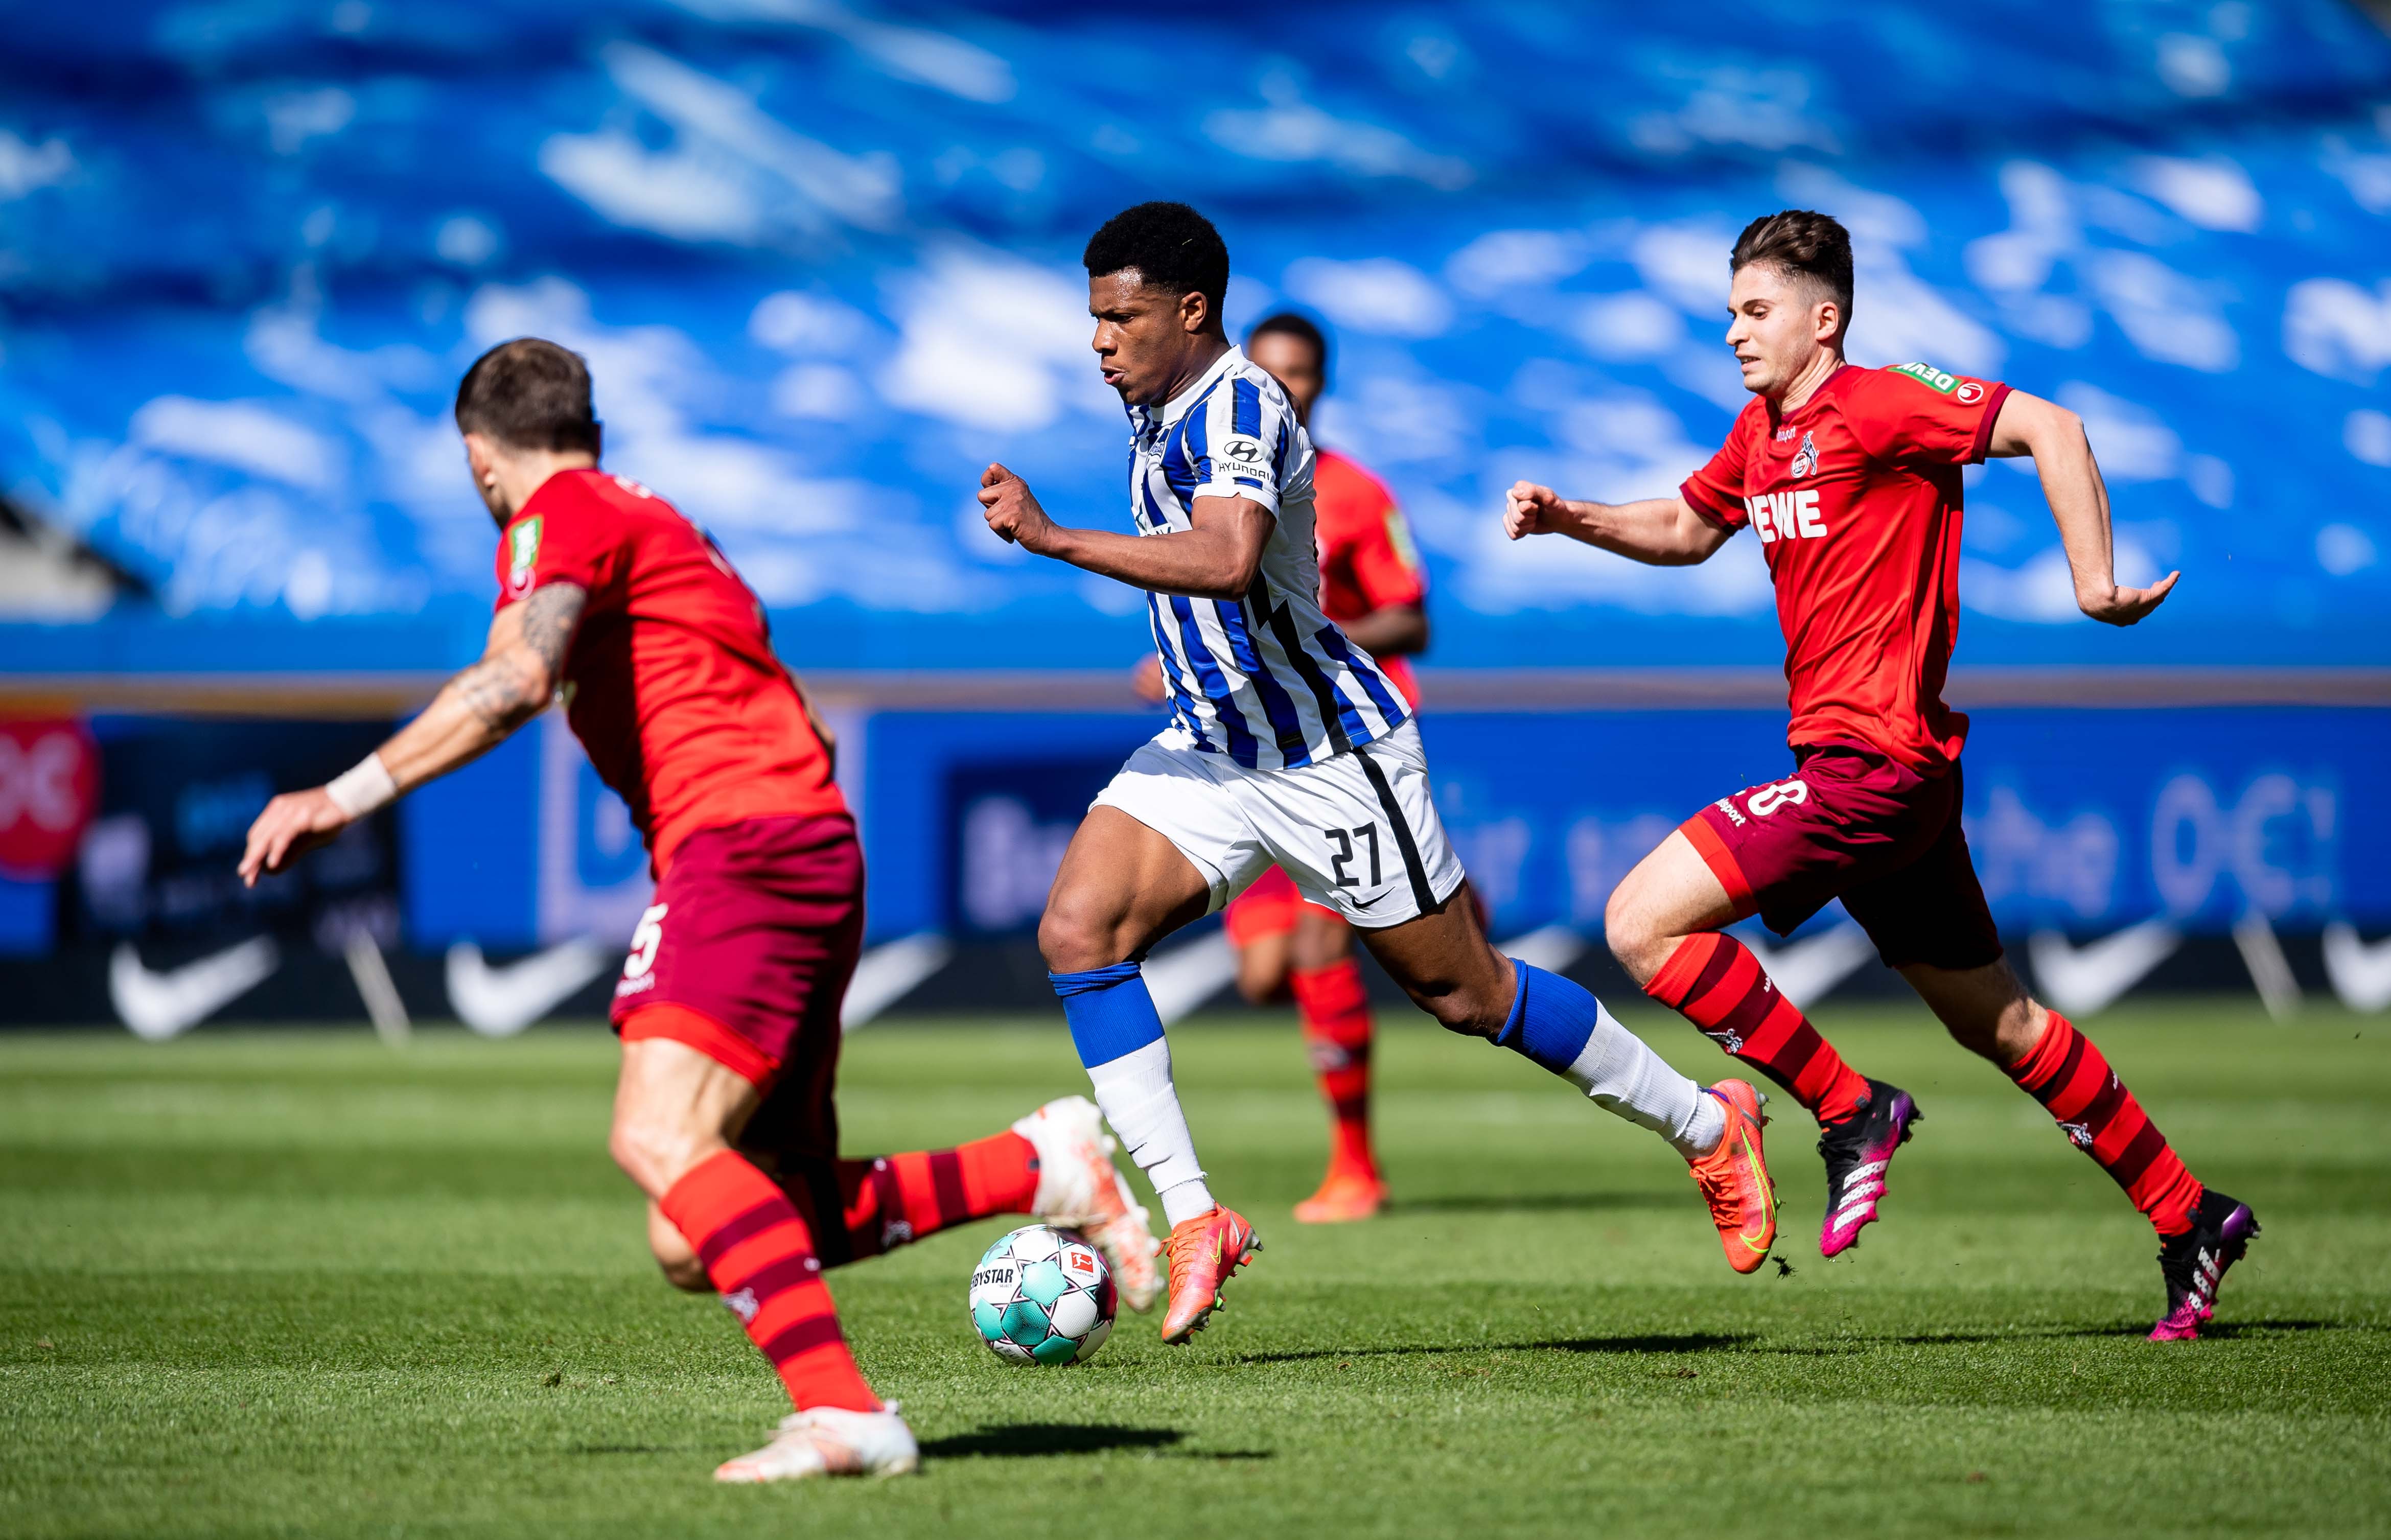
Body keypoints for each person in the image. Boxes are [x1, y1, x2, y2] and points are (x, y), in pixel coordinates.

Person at [238, 338, 1163, 1483]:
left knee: (656, 1136)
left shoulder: (560, 511)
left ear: (480, 457)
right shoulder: (647, 514)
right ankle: (1036, 1167)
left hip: (746, 846)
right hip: (801, 843)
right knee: (714, 1225)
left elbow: (516, 678)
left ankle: (845, 1414)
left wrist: (346, 792)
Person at [977, 201, 1781, 1347]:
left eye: (1122, 317)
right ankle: (1196, 1217)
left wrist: (1058, 541)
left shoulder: (1242, 400)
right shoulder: (1154, 406)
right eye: (1094, 318)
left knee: (1467, 994)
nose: (1100, 340)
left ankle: (1709, 1125)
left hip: (1327, 751)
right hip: (1217, 741)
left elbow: (1227, 555)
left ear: (1192, 311)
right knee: (1079, 931)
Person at [1503, 209, 2256, 1341]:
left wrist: (2094, 585)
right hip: (1884, 779)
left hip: (1876, 766)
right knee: (1999, 1024)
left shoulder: (1882, 400)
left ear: (1825, 318)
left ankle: (1853, 1109)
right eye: (1729, 314)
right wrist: (1576, 520)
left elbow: (2052, 425)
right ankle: (2189, 1212)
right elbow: (1686, 524)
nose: (1733, 335)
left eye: (1754, 313)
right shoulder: (1764, 432)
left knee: (1642, 924)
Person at [1129, 310, 1432, 1224]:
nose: (1284, 387)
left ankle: (1356, 1169)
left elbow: (1414, 619)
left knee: (1320, 946)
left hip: (1340, 737)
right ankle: (1439, 908)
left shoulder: (1353, 492)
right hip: (1248, 744)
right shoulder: (1211, 476)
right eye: (1271, 371)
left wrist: (1309, 643)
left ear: (1320, 384)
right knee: (1267, 973)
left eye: (1300, 373)